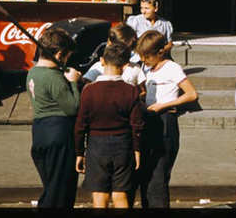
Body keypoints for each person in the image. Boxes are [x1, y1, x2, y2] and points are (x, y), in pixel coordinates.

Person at [75, 43, 145, 208]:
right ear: (126, 65)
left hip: (96, 146)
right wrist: (137, 149)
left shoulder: (88, 90)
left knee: (100, 196)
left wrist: (79, 152)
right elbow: (137, 125)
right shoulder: (131, 91)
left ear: (102, 61)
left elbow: (80, 125)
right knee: (121, 195)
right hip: (123, 144)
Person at [136, 30, 197, 208]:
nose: (144, 61)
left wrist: (164, 105)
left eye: (147, 57)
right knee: (145, 174)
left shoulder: (172, 68)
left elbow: (191, 94)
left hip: (164, 120)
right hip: (147, 118)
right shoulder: (145, 68)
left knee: (158, 176)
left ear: (160, 52)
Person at [26, 27, 82, 208]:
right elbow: (73, 107)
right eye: (67, 56)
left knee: (51, 187)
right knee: (60, 192)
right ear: (59, 55)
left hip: (40, 131)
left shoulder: (32, 72)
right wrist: (73, 83)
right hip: (59, 133)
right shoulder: (53, 77)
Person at [82, 23, 145, 94]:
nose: (122, 52)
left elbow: (142, 91)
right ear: (109, 44)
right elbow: (86, 88)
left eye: (127, 49)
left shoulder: (135, 68)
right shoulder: (99, 66)